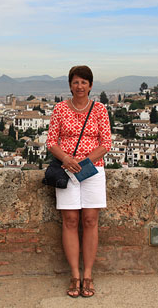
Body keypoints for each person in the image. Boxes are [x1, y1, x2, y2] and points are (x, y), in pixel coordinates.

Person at [46, 65, 112, 298]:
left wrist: (83, 161)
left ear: (91, 85)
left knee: (91, 219)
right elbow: (51, 141)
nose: (80, 86)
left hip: (92, 171)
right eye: (76, 82)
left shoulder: (100, 110)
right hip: (66, 170)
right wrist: (66, 158)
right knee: (71, 220)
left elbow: (106, 143)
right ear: (70, 85)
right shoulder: (60, 109)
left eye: (84, 82)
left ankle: (88, 275)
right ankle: (75, 275)